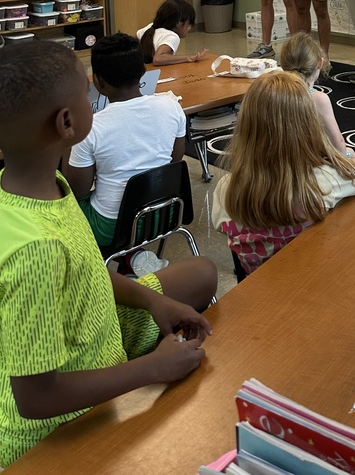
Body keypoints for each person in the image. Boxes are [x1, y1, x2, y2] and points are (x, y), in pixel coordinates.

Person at [0, 39, 217, 467]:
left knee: (201, 274)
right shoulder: (33, 249)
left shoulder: (43, 185)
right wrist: (154, 368)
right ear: (66, 122)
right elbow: (36, 397)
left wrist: (154, 299)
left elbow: (87, 270)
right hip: (56, 425)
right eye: (86, 94)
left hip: (96, 333)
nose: (91, 100)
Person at [212, 69, 355, 275]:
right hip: (314, 282)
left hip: (257, 290)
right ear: (308, 126)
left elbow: (223, 229)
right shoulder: (323, 181)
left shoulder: (225, 190)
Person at [61, 33, 187, 249]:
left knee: (63, 204)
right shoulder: (172, 107)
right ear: (143, 72)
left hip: (110, 228)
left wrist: (67, 141)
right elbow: (175, 160)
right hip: (165, 214)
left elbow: (75, 190)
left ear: (98, 82)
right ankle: (133, 258)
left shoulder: (91, 127)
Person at [280, 33, 348, 156]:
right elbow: (338, 142)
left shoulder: (273, 91)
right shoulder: (318, 99)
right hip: (311, 165)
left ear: (283, 64)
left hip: (276, 162)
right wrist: (348, 157)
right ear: (320, 63)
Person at [138, 0, 207, 66]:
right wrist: (188, 58)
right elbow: (158, 59)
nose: (190, 28)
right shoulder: (172, 36)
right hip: (150, 74)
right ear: (179, 23)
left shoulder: (150, 27)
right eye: (189, 24)